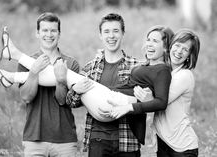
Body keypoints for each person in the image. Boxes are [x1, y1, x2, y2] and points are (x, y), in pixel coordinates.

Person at [65, 14, 174, 156]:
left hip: (127, 141)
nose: (111, 36)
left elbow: (154, 101)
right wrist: (75, 90)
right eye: (106, 31)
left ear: (123, 33)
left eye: (116, 31)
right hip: (98, 139)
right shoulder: (90, 68)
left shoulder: (137, 66)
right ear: (100, 35)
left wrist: (148, 97)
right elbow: (71, 102)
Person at [0, 12, 80, 157]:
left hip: (64, 139)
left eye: (53, 30)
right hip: (34, 139)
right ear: (37, 33)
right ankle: (12, 58)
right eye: (45, 30)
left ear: (59, 34)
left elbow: (62, 101)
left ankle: (11, 65)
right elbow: (27, 97)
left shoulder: (70, 64)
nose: (49, 34)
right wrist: (34, 71)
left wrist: (61, 81)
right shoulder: (27, 62)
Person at [152, 29, 200, 157]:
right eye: (177, 45)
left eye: (185, 49)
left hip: (182, 148)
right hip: (164, 142)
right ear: (171, 46)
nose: (179, 51)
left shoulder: (185, 75)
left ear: (190, 55)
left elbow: (159, 101)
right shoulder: (166, 71)